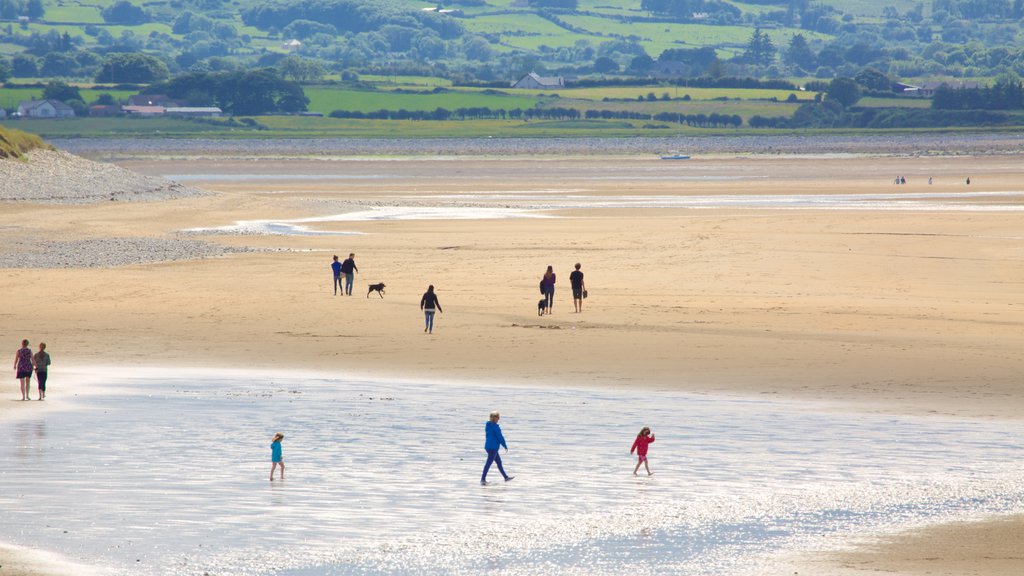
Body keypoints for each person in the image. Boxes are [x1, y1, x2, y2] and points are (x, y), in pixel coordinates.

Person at [481, 411, 513, 485]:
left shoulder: (488, 425)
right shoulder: (495, 427)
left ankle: (506, 477)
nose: (499, 419)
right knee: (488, 463)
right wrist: (505, 445)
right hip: (493, 448)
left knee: (499, 462)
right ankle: (482, 479)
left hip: (488, 447)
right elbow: (500, 437)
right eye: (498, 417)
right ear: (495, 418)